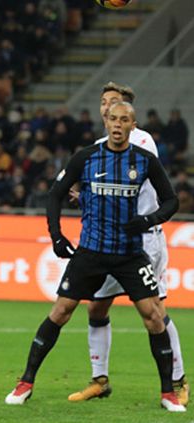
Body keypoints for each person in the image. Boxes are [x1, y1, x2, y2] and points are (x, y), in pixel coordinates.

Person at [5, 102, 185, 413]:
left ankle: (168, 393)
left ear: (133, 124)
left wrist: (147, 221)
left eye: (124, 120)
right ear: (106, 123)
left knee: (154, 317)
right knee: (61, 311)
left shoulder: (144, 161)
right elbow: (57, 193)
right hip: (91, 251)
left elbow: (171, 200)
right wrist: (56, 235)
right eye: (113, 119)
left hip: (130, 254)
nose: (117, 124)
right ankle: (25, 383)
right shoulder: (87, 157)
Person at [67, 82, 188, 406]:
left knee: (154, 311)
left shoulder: (142, 140)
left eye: (114, 103)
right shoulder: (98, 145)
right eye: (104, 103)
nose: (107, 108)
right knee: (96, 306)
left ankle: (178, 382)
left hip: (143, 240)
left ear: (129, 114)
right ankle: (100, 380)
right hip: (108, 242)